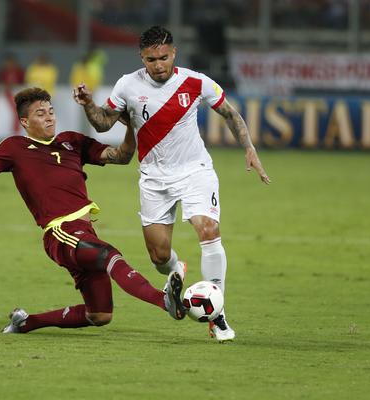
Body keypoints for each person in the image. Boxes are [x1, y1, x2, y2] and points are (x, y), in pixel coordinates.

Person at [0, 87, 186, 334]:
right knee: (109, 256)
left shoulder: (72, 142)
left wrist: (131, 124)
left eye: (51, 111)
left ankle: (26, 323)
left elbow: (121, 156)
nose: (50, 118)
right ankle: (165, 301)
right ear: (25, 122)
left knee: (100, 315)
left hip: (84, 232)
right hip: (61, 232)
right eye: (41, 114)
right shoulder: (14, 148)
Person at [73, 26, 271, 342]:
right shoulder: (127, 85)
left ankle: (217, 316)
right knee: (159, 256)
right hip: (153, 179)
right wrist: (87, 104)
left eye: (164, 57)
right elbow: (103, 122)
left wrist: (249, 148)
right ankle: (176, 271)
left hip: (195, 171)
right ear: (143, 58)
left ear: (173, 53)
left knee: (207, 229)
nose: (159, 65)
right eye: (152, 59)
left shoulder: (195, 82)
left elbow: (230, 114)